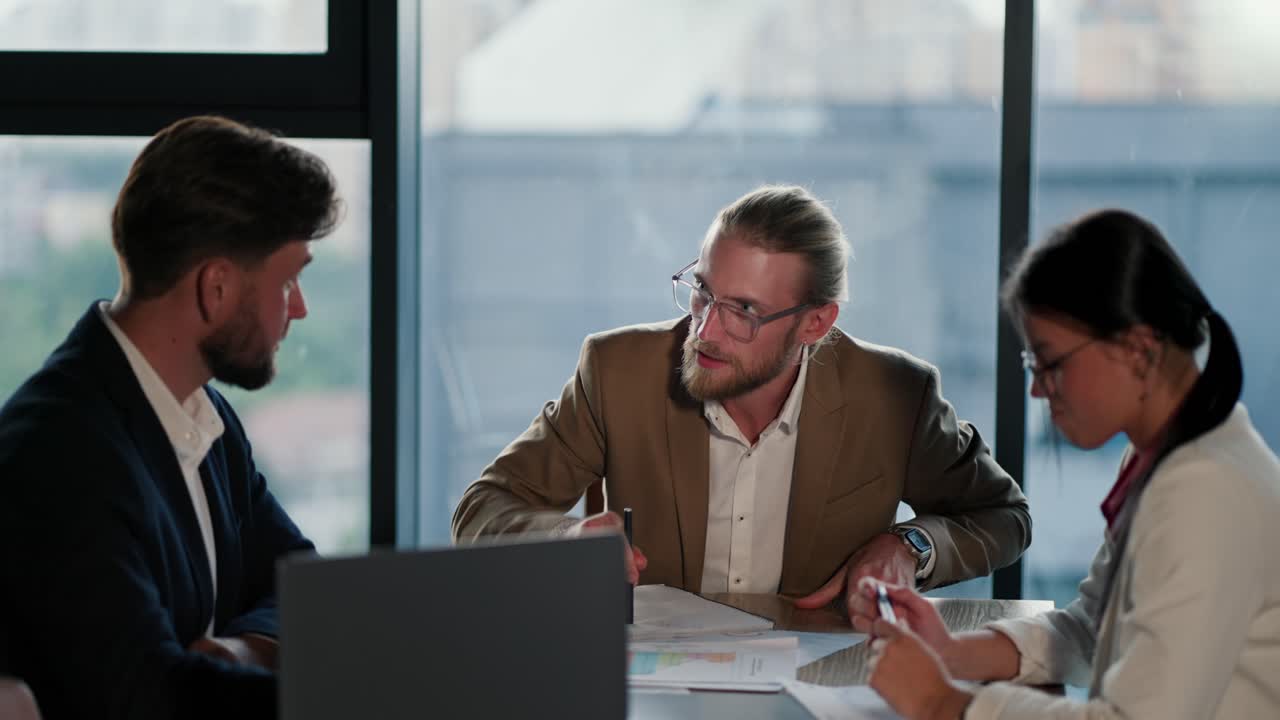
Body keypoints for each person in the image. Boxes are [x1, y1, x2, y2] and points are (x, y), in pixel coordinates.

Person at [452, 185, 1030, 618]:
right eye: (702, 292)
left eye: (744, 311)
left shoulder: (895, 396)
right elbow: (483, 509)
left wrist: (910, 543)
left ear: (816, 322)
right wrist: (566, 542)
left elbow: (1004, 517)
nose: (703, 331)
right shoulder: (616, 371)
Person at [863, 209, 1280, 719]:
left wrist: (945, 701)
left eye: (1051, 363)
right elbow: (1093, 627)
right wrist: (950, 651)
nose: (1038, 389)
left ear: (1139, 351)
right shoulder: (1165, 459)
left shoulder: (1206, 492)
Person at [0, 115, 343, 720]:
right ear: (216, 288)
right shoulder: (59, 454)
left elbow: (302, 586)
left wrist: (239, 651)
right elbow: (148, 698)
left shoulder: (204, 416)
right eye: (288, 280)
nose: (300, 307)